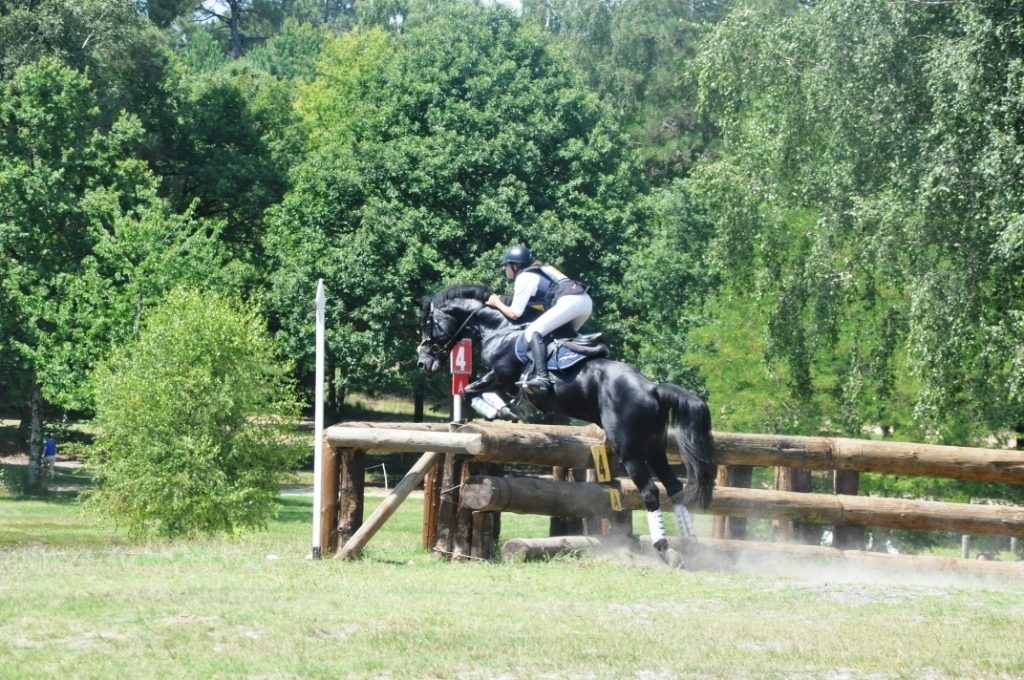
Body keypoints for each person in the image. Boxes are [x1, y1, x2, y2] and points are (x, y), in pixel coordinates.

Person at [486, 245, 592, 393]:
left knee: (532, 332)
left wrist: (496, 302)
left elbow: (514, 314)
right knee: (561, 337)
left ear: (514, 266)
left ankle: (542, 378)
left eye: (506, 266)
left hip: (570, 302)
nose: (505, 269)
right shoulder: (544, 270)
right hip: (585, 301)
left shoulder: (524, 277)